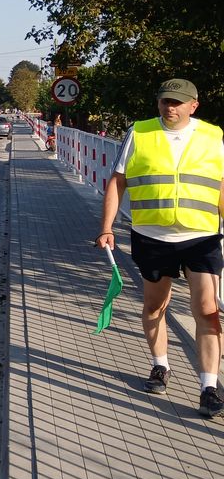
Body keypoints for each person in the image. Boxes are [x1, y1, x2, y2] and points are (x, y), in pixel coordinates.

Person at [96, 78, 224, 418]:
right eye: (166, 101)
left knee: (207, 310)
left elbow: (221, 185)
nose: (171, 107)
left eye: (178, 102)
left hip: (201, 236)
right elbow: (118, 181)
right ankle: (160, 365)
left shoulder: (213, 136)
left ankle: (209, 387)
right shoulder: (139, 133)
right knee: (155, 306)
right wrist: (107, 227)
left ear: (193, 105)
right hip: (152, 236)